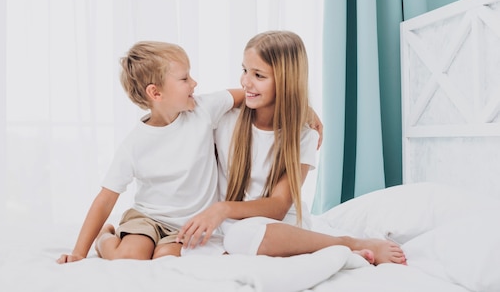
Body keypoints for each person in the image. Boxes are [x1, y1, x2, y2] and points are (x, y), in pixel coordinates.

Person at [177, 30, 406, 265]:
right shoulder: (225, 118)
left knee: (241, 237)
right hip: (230, 224)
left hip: (274, 224)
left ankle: (349, 243)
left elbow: (278, 206)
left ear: (286, 81)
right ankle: (319, 249)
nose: (246, 81)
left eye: (259, 75)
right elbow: (186, 105)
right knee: (207, 245)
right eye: (245, 70)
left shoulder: (303, 135)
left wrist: (222, 209)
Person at [56, 40, 245, 263]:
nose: (194, 83)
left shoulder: (204, 110)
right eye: (184, 79)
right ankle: (104, 236)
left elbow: (246, 95)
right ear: (155, 93)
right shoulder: (135, 144)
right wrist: (79, 252)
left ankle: (150, 245)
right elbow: (105, 199)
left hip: (184, 227)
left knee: (165, 258)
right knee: (129, 256)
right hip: (146, 218)